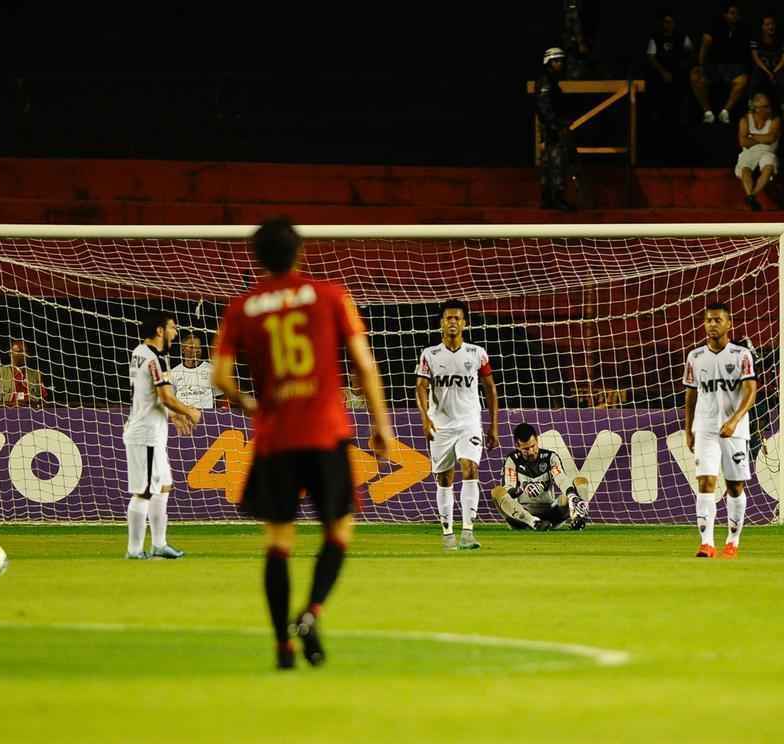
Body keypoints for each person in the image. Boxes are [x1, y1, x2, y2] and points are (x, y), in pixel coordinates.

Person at [211, 217, 395, 671]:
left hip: (275, 439)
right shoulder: (331, 296)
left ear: (257, 258)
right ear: (301, 252)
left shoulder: (241, 308)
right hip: (325, 431)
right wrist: (381, 426)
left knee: (278, 542)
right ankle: (312, 613)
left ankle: (281, 647)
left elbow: (219, 379)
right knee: (339, 531)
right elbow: (365, 368)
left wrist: (248, 403)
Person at [415, 300, 500, 551]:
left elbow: (490, 389)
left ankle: (468, 532)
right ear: (441, 323)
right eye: (448, 318)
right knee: (444, 479)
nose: (452, 322)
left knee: (470, 468)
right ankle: (447, 533)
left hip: (469, 423)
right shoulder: (429, 354)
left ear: (464, 323)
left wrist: (493, 426)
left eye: (457, 318)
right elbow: (420, 387)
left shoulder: (477, 353)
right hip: (440, 426)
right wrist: (425, 417)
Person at [123, 312, 202, 560]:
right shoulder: (154, 359)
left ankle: (159, 544)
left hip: (153, 432)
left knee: (164, 486)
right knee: (145, 491)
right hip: (145, 434)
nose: (175, 332)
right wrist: (189, 411)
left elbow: (153, 397)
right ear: (160, 331)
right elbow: (165, 397)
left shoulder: (140, 353)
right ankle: (134, 550)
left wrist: (174, 416)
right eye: (172, 327)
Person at [682, 301, 757, 559]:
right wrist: (688, 429)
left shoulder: (741, 356)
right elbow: (691, 394)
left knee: (735, 486)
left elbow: (750, 391)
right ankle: (706, 543)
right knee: (706, 481)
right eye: (708, 320)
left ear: (729, 324)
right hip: (705, 428)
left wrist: (735, 420)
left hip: (734, 430)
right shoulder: (695, 357)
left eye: (717, 320)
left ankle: (732, 541)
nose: (711, 324)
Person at [489, 422, 589, 531]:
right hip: (523, 515)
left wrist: (571, 495)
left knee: (580, 482)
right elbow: (508, 489)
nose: (531, 452)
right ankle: (534, 522)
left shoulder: (550, 457)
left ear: (537, 440)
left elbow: (561, 478)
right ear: (517, 446)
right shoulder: (512, 460)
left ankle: (579, 518)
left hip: (550, 513)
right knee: (497, 491)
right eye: (526, 449)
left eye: (533, 446)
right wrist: (522, 489)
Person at [692, 2, 750, 124]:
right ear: (725, 15)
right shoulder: (714, 26)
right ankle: (708, 113)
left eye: (737, 14)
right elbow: (704, 48)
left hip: (731, 68)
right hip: (712, 67)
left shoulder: (743, 30)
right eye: (732, 13)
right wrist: (702, 67)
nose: (735, 16)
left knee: (743, 79)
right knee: (695, 75)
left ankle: (725, 112)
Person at [537, 47, 576, 211]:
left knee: (550, 163)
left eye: (561, 61)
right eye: (556, 61)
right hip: (551, 129)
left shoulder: (551, 80)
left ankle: (549, 199)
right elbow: (544, 105)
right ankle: (554, 199)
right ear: (549, 62)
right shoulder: (546, 81)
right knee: (556, 163)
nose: (560, 64)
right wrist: (553, 125)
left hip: (552, 127)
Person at [645, 10, 695, 129]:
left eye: (671, 22)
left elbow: (691, 53)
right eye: (666, 22)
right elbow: (651, 56)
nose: (668, 24)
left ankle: (681, 122)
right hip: (659, 74)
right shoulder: (655, 37)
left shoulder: (682, 37)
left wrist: (683, 67)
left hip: (678, 73)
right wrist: (663, 72)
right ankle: (657, 121)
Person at [735, 91, 782, 211]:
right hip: (749, 151)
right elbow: (743, 142)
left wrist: (752, 136)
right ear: (756, 108)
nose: (769, 109)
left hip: (767, 151)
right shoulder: (745, 119)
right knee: (745, 169)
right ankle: (752, 199)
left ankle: (752, 196)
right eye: (765, 107)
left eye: (769, 106)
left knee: (768, 167)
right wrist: (762, 139)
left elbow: (771, 138)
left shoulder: (775, 119)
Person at [749, 13, 784, 124]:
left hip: (778, 68)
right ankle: (751, 110)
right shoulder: (756, 38)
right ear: (762, 27)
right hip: (762, 68)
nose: (770, 27)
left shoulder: (783, 38)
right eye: (767, 24)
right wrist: (767, 72)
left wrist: (774, 72)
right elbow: (756, 58)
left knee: (782, 81)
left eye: (772, 24)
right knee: (754, 81)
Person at [0, 339, 46, 408]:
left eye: (26, 351)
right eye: (20, 351)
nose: (24, 354)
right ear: (10, 353)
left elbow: (45, 402)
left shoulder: (36, 375)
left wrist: (35, 405)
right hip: (7, 416)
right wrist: (10, 405)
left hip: (32, 416)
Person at [170, 333, 221, 410]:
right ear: (183, 350)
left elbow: (219, 396)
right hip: (183, 415)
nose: (196, 350)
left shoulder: (211, 370)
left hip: (207, 417)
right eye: (192, 347)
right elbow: (171, 399)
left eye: (198, 347)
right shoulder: (174, 372)